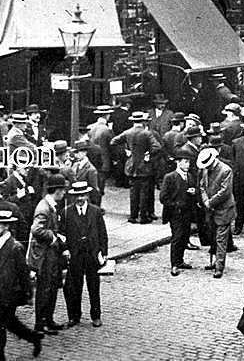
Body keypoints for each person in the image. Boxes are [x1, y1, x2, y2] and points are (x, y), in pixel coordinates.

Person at [0, 207, 42, 361]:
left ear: (6, 226)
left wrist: (28, 294)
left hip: (8, 294)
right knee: (11, 323)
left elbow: (23, 274)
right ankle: (33, 338)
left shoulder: (15, 247)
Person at [27, 173, 68, 335]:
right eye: (62, 190)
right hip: (44, 256)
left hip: (52, 254)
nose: (64, 193)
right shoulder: (43, 208)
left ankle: (48, 320)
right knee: (45, 289)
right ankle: (40, 323)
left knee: (52, 287)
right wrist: (53, 236)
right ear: (56, 191)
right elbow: (36, 229)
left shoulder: (51, 205)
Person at [62, 181, 107, 328]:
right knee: (75, 287)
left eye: (83, 195)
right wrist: (65, 249)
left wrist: (104, 253)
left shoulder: (95, 212)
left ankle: (96, 316)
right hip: (75, 255)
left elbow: (102, 234)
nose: (80, 198)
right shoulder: (67, 212)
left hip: (91, 254)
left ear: (87, 195)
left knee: (93, 286)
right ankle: (74, 316)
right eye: (77, 196)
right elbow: (61, 234)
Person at [115, 110, 161, 224]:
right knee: (144, 192)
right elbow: (157, 147)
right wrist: (148, 154)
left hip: (131, 166)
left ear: (133, 121)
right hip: (144, 167)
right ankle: (143, 217)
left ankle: (133, 216)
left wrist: (126, 151)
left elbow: (113, 142)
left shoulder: (127, 132)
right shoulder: (147, 133)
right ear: (143, 121)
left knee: (133, 192)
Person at [197, 147, 235, 278]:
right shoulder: (205, 169)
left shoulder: (226, 170)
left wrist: (210, 202)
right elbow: (202, 186)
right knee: (212, 237)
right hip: (210, 210)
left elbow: (225, 192)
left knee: (221, 240)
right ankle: (213, 262)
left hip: (224, 210)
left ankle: (219, 267)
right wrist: (205, 201)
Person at [161, 150, 197, 276]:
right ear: (178, 162)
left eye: (189, 162)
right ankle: (174, 264)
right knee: (177, 237)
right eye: (185, 162)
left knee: (184, 237)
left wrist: (194, 192)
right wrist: (175, 205)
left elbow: (194, 193)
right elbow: (163, 197)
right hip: (175, 214)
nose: (188, 165)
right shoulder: (170, 177)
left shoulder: (190, 177)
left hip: (187, 213)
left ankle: (180, 260)